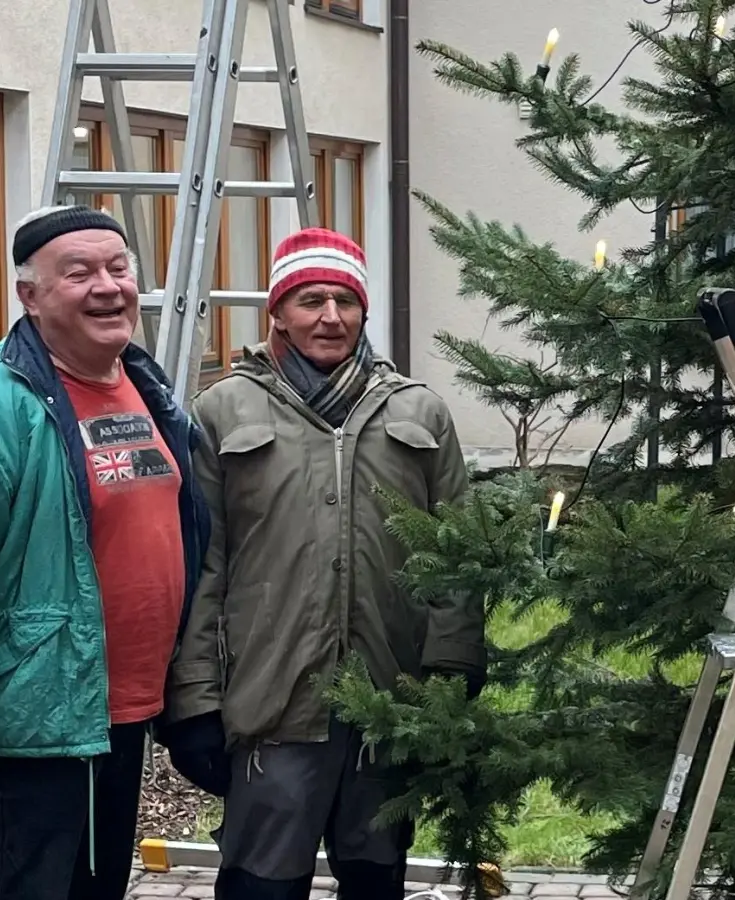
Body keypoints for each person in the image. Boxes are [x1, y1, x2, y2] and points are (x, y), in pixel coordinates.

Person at [0, 205, 211, 900]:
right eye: (80, 273)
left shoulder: (145, 389)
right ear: (29, 297)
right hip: (32, 730)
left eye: (118, 268)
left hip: (118, 717)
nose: (107, 286)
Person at [158, 227, 484, 900]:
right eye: (310, 300)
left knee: (375, 878)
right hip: (270, 705)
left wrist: (450, 675)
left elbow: (457, 556)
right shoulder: (221, 412)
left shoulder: (418, 410)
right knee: (262, 883)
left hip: (389, 702)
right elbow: (201, 566)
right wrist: (193, 700)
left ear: (364, 312)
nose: (330, 317)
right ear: (276, 311)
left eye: (345, 301)